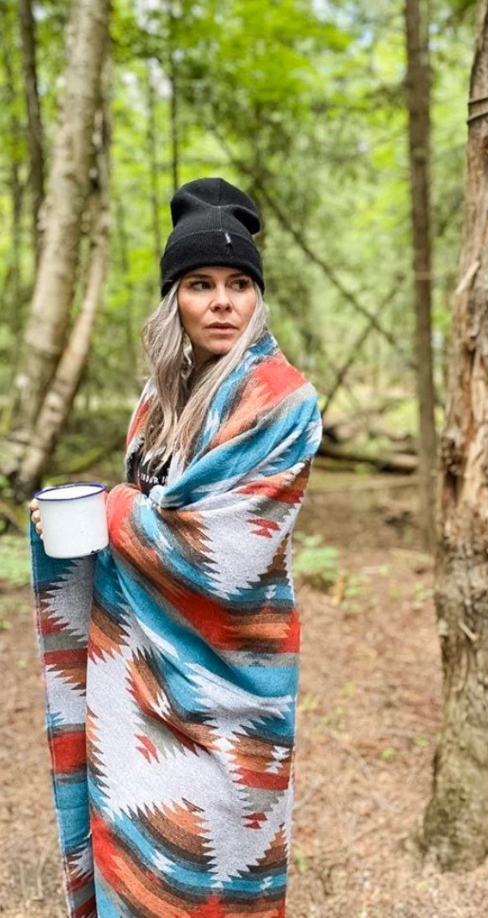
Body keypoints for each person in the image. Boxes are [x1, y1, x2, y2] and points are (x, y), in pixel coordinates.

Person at [28, 177, 322, 918]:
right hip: (134, 689)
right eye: (199, 283)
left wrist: (111, 508)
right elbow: (147, 518)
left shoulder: (283, 402)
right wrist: (75, 526)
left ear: (258, 298)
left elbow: (218, 554)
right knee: (137, 871)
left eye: (238, 284)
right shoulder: (156, 405)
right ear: (175, 301)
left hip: (231, 695)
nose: (222, 301)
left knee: (212, 873)